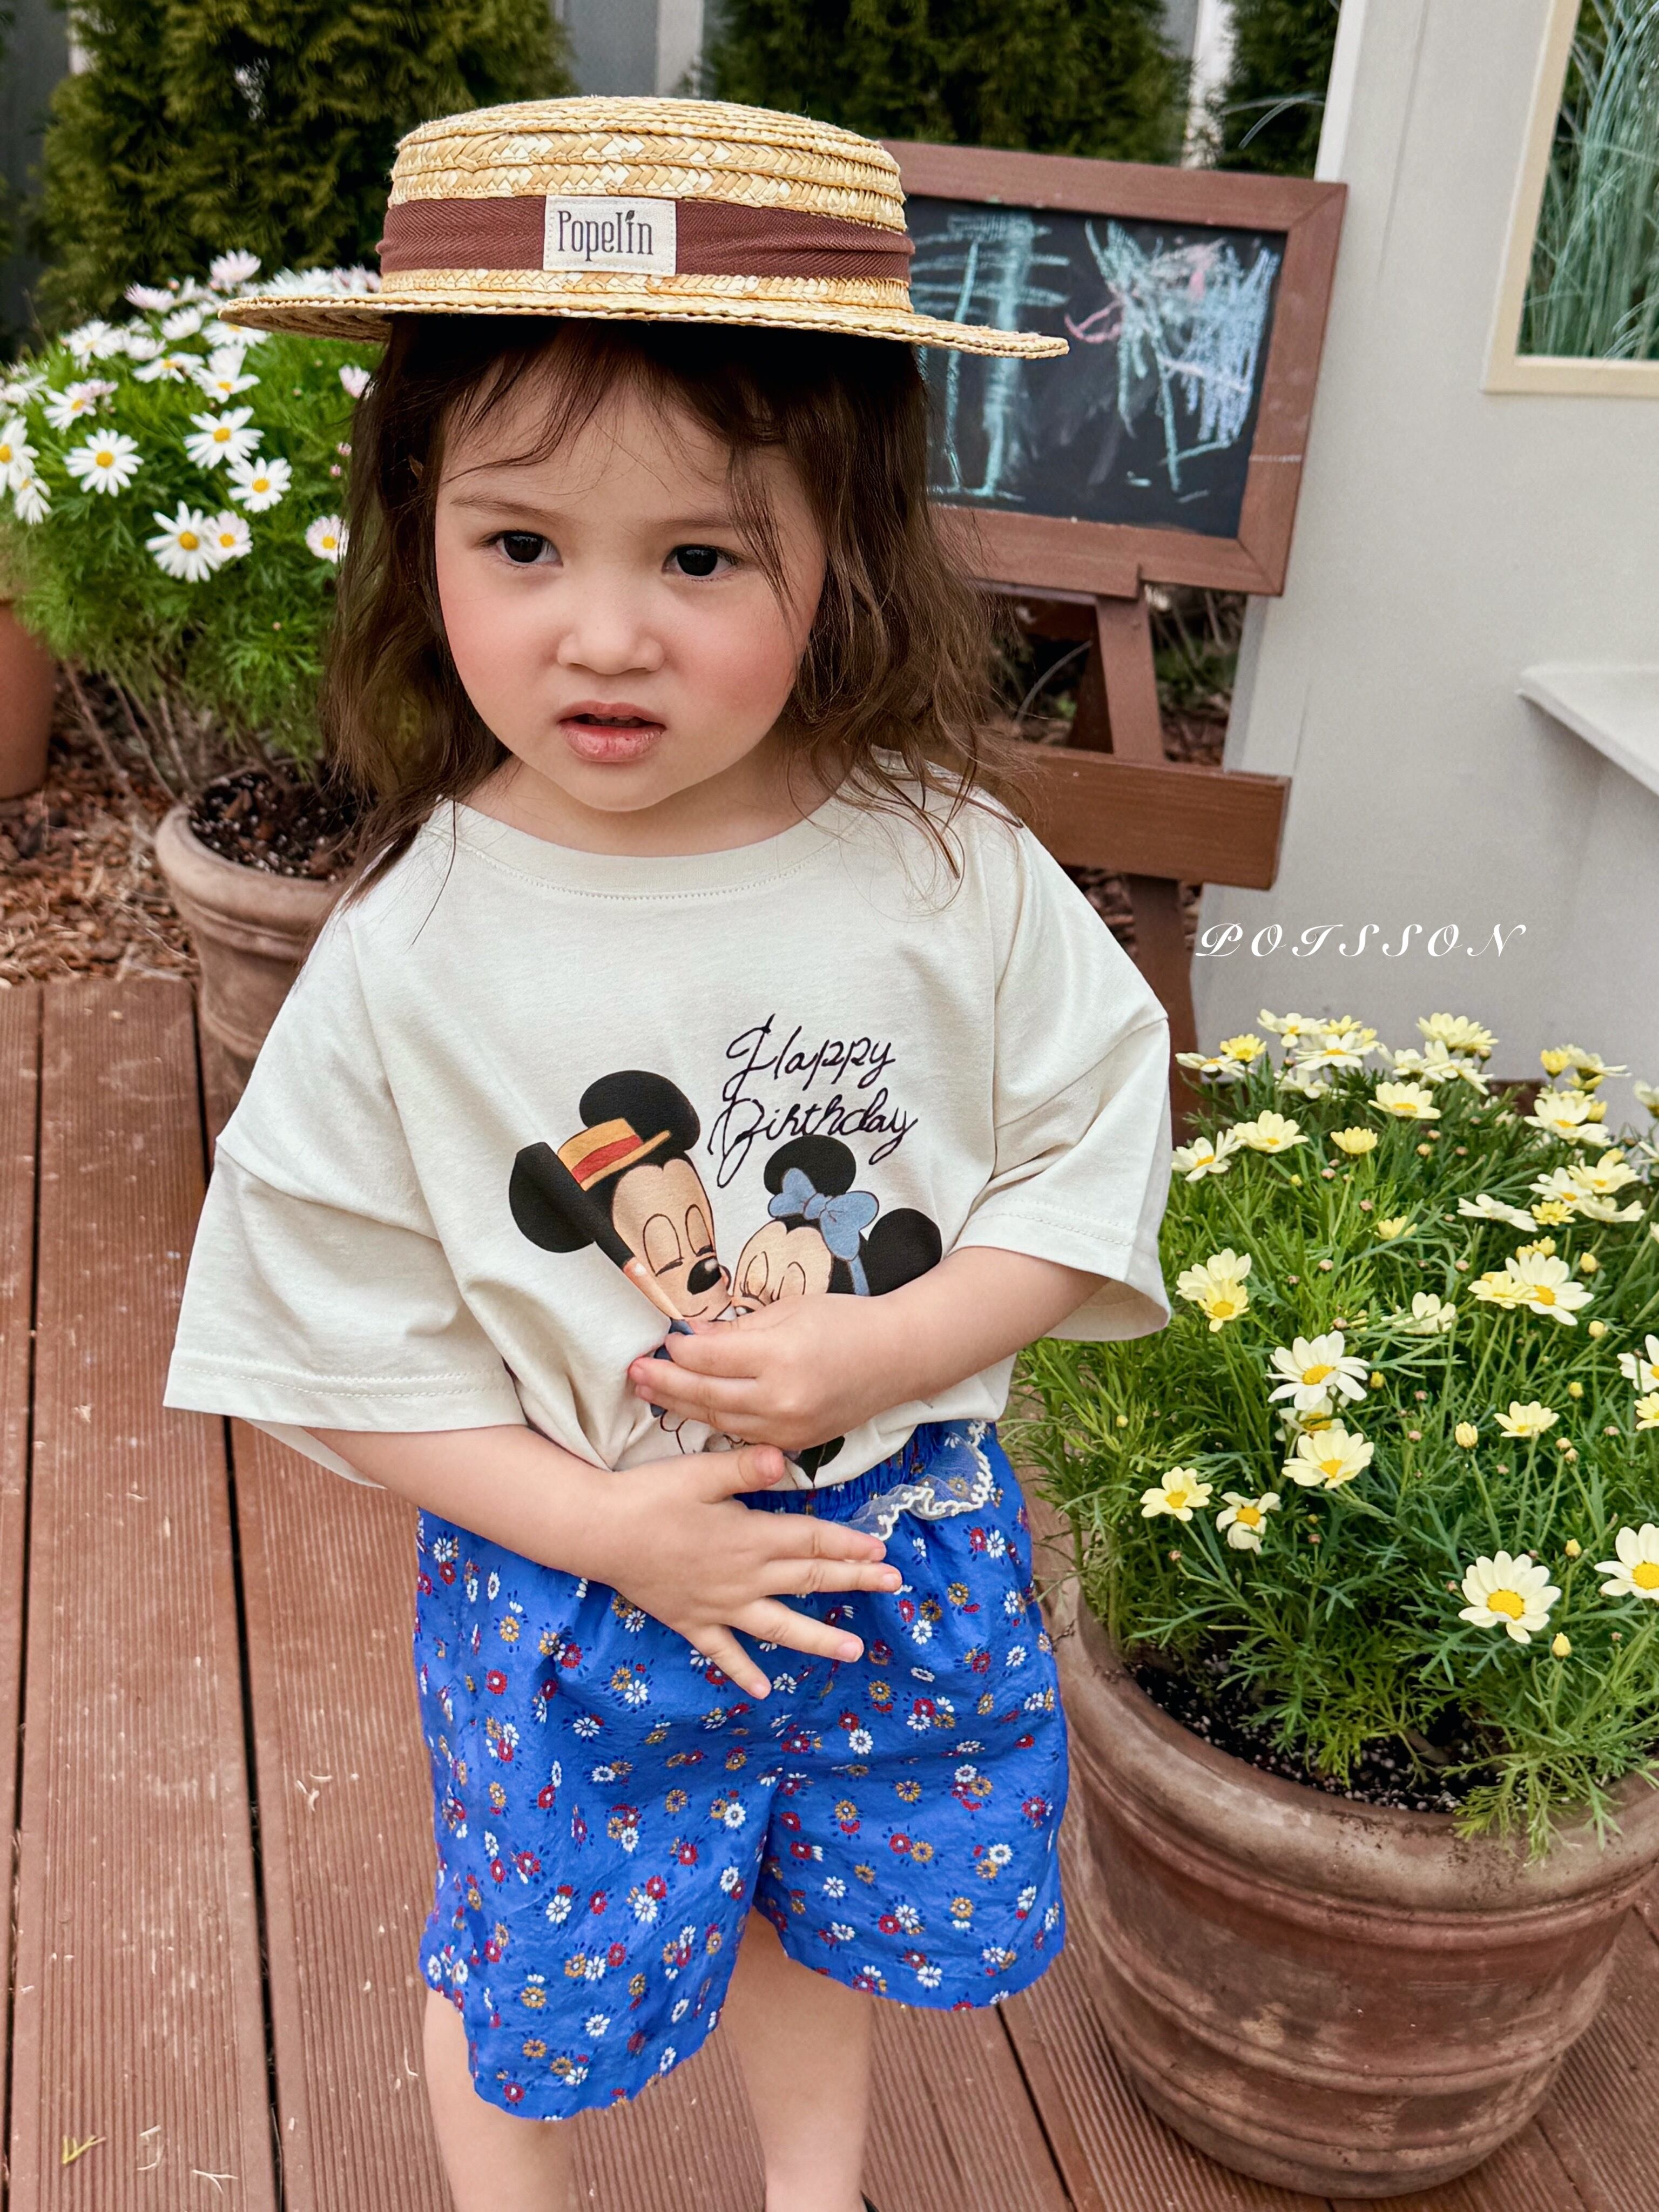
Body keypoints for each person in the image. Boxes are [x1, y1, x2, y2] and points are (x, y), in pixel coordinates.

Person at [166, 95, 1173, 2212]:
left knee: (824, 1911)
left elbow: (1093, 1145)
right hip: (578, 1574)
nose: (603, 633)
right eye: (522, 546)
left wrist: (889, 1348)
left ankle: (815, 2192)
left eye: (700, 558)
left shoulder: (946, 870)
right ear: (418, 528)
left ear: (846, 544)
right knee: (524, 1970)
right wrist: (610, 1530)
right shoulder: (417, 952)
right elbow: (329, 1336)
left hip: (889, 1546)